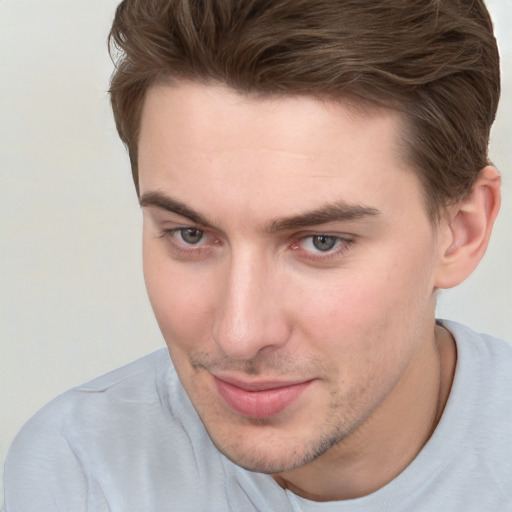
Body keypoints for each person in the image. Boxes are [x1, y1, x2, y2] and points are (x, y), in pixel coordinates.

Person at [3, 0, 511, 510]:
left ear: (461, 232)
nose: (240, 334)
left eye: (321, 242)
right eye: (190, 235)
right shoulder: (80, 470)